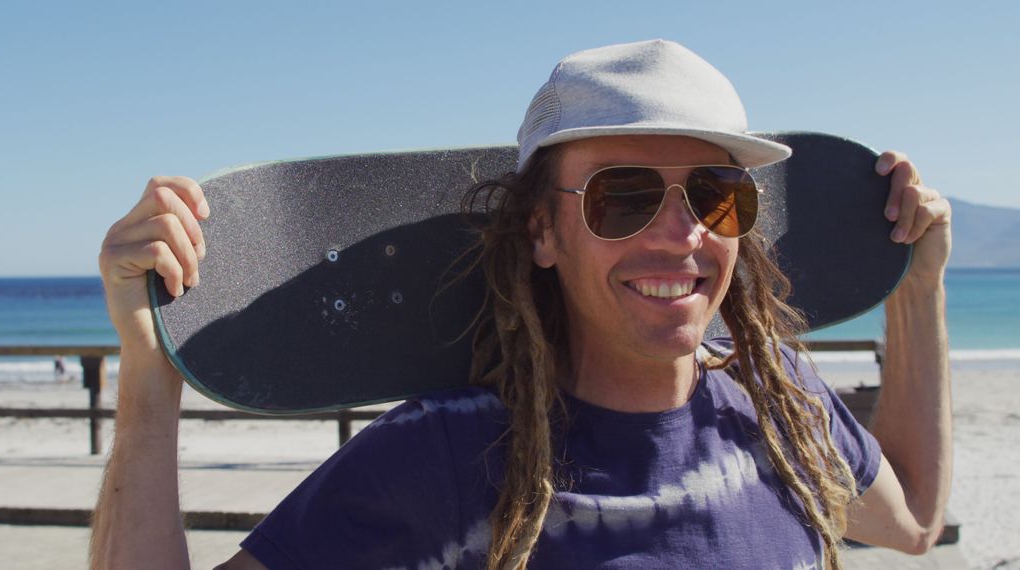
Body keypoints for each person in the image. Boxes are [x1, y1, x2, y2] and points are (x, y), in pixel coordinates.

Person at [91, 39, 952, 569]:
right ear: (543, 232)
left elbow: (913, 523)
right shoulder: (442, 459)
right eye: (624, 197)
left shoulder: (786, 413)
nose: (680, 233)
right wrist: (148, 370)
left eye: (717, 195)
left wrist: (919, 291)